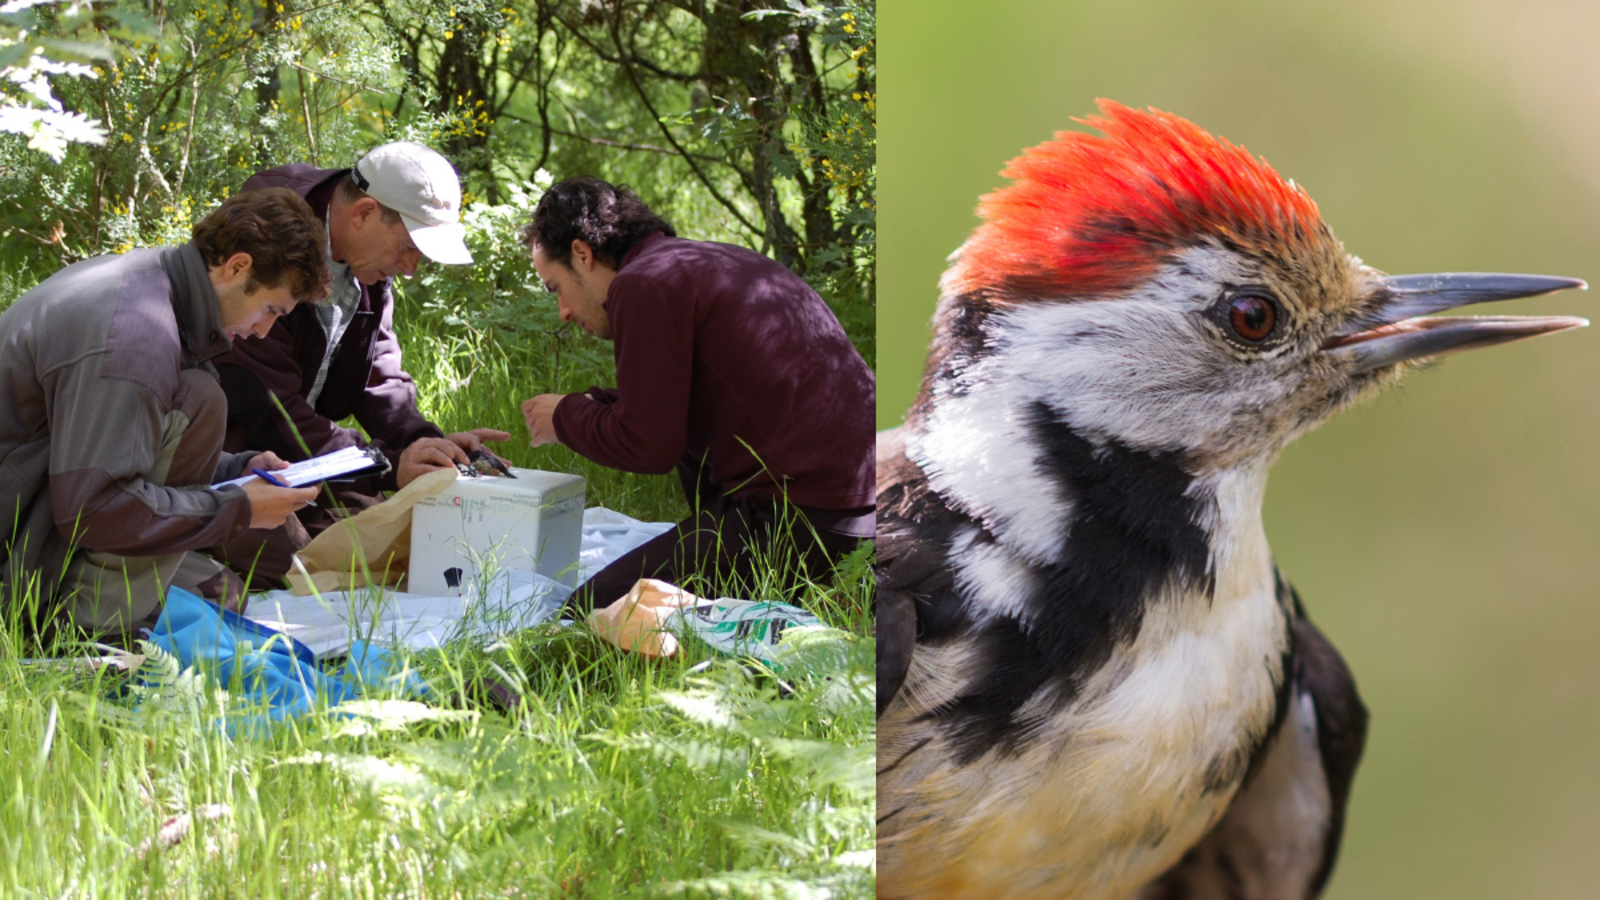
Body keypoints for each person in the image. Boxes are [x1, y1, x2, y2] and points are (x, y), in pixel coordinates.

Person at [518, 176, 875, 610]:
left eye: (556, 288)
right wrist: (599, 406)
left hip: (800, 521)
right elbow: (680, 399)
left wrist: (566, 417)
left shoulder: (641, 284)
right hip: (862, 504)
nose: (564, 312)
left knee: (589, 611)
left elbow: (649, 444)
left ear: (582, 253)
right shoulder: (699, 261)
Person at [0, 189, 328, 637]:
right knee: (201, 400)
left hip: (44, 503)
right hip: (18, 548)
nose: (262, 331)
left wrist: (237, 468)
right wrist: (238, 509)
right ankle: (75, 635)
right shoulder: (135, 337)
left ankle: (108, 608)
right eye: (270, 310)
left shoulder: (154, 281)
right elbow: (94, 509)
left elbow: (116, 440)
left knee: (222, 593)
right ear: (237, 267)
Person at [214, 141, 509, 587]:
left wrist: (430, 449)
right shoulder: (270, 240)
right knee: (307, 570)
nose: (411, 268)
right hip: (232, 455)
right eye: (409, 247)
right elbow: (271, 410)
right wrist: (390, 465)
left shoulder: (367, 262)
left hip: (307, 455)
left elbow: (379, 372)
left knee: (402, 539)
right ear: (364, 213)